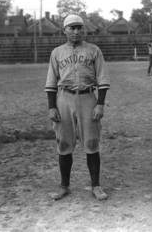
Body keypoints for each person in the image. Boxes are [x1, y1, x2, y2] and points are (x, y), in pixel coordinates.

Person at [45, 15, 111, 201]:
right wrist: (52, 107)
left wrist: (100, 103)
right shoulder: (57, 53)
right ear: (64, 30)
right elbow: (51, 82)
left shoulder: (93, 50)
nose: (76, 31)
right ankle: (64, 186)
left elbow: (103, 79)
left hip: (88, 97)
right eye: (72, 28)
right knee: (64, 144)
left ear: (84, 29)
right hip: (64, 98)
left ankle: (95, 186)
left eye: (79, 28)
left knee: (91, 143)